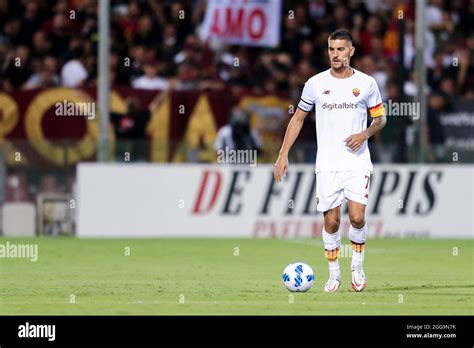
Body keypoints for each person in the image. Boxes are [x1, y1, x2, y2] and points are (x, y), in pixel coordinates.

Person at [274, 29, 386, 292]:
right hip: (326, 164)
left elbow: (381, 119)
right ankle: (334, 274)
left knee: (357, 217)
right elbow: (298, 118)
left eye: (340, 49)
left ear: (351, 51)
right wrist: (283, 153)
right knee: (332, 222)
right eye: (331, 49)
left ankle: (357, 268)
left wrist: (365, 133)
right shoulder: (314, 83)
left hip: (357, 161)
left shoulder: (367, 83)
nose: (335, 54)